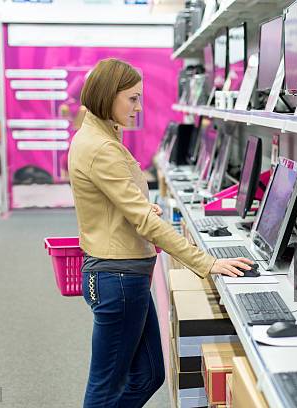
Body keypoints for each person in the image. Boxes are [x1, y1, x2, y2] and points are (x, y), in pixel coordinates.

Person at [68, 58, 253, 408]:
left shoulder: (100, 135)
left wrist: (139, 206)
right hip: (118, 277)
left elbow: (115, 202)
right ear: (109, 96)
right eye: (132, 98)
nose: (138, 107)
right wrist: (206, 262)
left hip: (126, 274)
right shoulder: (101, 147)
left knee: (150, 374)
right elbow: (143, 221)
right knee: (105, 388)